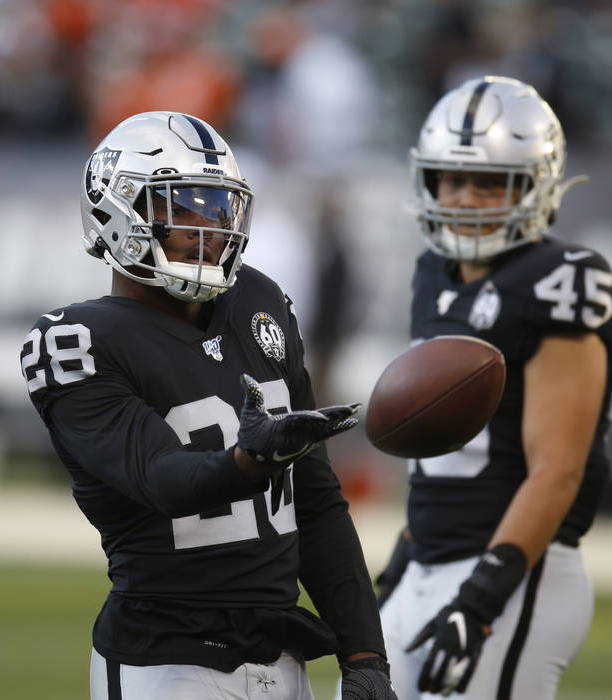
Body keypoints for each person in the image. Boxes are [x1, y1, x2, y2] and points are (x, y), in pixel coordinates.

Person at [20, 111, 397, 700]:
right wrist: (249, 462)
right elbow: (162, 478)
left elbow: (316, 503)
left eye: (219, 209)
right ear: (121, 211)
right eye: (185, 208)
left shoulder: (260, 300)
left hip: (282, 659)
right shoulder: (78, 340)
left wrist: (365, 656)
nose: (210, 228)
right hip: (169, 664)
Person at [372, 77, 612, 699]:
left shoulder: (563, 279)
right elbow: (447, 447)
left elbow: (557, 470)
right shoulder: (433, 272)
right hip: (430, 564)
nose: (462, 197)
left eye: (489, 182)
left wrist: (482, 597)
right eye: (449, 179)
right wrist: (408, 553)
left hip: (513, 573)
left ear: (536, 184)